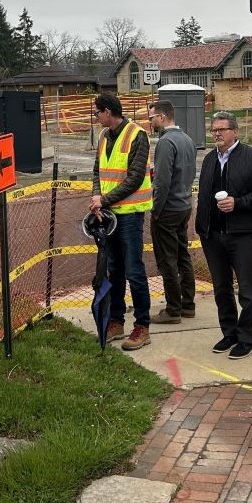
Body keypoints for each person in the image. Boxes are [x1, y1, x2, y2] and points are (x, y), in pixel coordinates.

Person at [195, 112, 252, 359]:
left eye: (222, 129)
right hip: (213, 235)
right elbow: (203, 197)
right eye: (214, 130)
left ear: (235, 131)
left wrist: (238, 203)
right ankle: (229, 333)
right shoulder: (209, 159)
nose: (217, 134)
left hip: (242, 235)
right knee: (221, 288)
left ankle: (246, 338)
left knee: (247, 290)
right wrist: (202, 227)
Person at [90, 92, 154, 350]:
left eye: (97, 112)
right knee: (113, 269)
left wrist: (103, 201)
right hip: (108, 215)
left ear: (107, 111)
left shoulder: (137, 135)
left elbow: (135, 178)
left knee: (133, 270)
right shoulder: (105, 136)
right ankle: (116, 320)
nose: (96, 117)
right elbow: (98, 170)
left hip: (130, 214)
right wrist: (97, 196)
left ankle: (143, 326)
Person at [147, 100, 198, 324]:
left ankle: (173, 310)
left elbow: (163, 181)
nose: (151, 123)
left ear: (162, 116)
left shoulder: (166, 143)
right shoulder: (187, 139)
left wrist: (155, 210)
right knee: (182, 255)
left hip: (168, 209)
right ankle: (188, 305)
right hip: (184, 205)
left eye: (152, 118)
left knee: (168, 260)